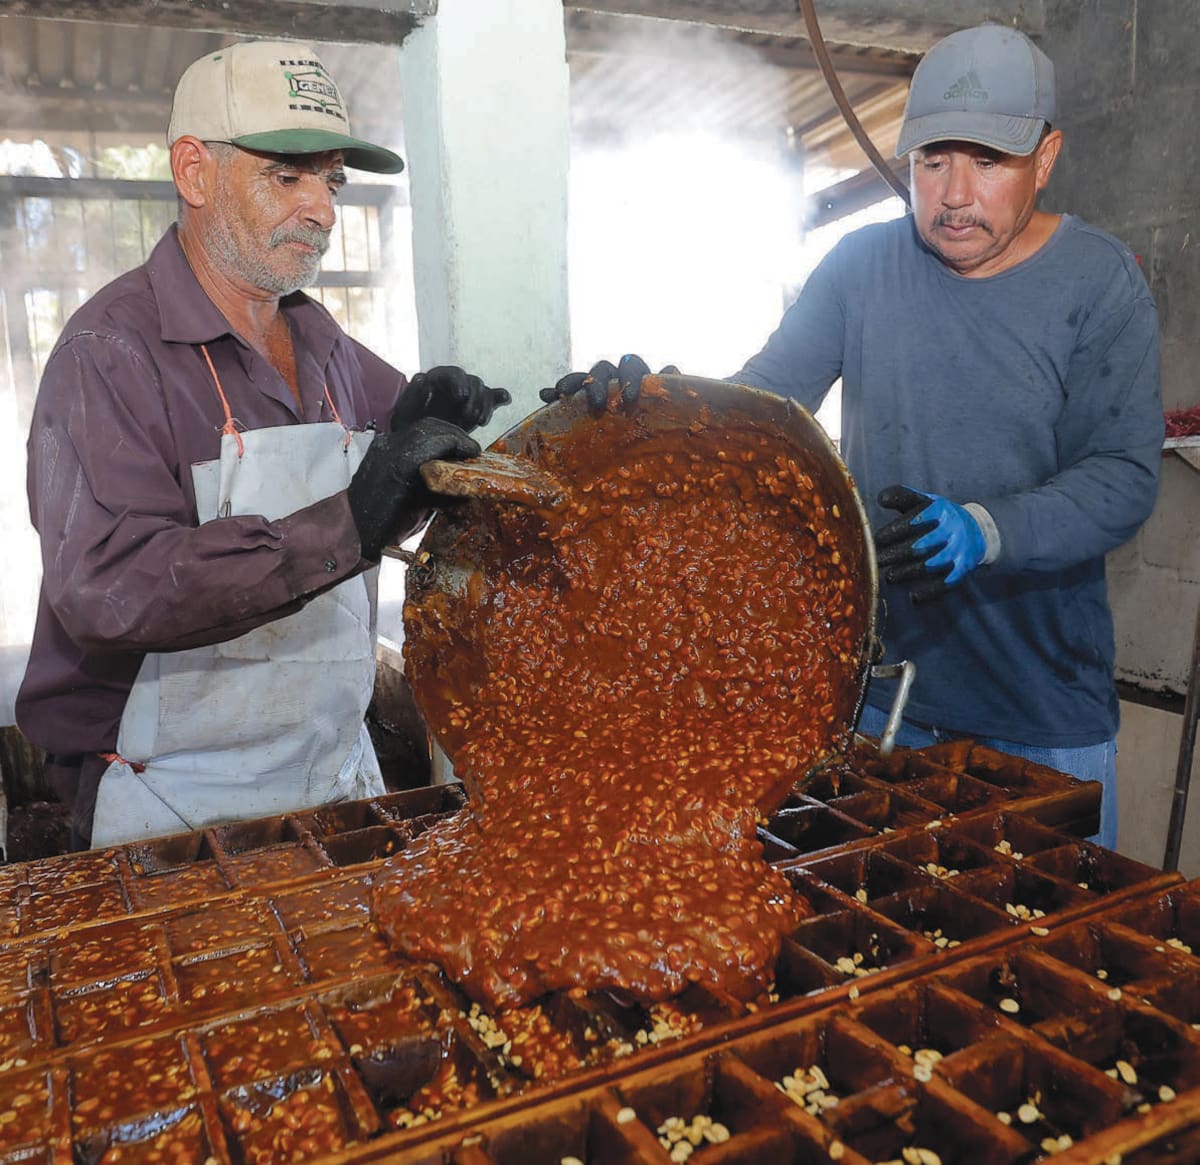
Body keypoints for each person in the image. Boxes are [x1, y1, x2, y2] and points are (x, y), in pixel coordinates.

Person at [545, 24, 1164, 850]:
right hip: (883, 699)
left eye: (987, 162)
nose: (954, 194)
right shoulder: (861, 266)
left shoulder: (1098, 283)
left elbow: (1122, 476)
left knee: (1060, 925)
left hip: (1041, 713)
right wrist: (645, 408)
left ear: (1045, 159)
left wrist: (988, 530)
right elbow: (760, 411)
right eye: (933, 160)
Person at [16, 40, 510, 848]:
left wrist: (443, 444)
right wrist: (348, 520)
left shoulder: (326, 346)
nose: (323, 210)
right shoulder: (108, 355)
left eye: (332, 181)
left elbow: (403, 505)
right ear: (194, 171)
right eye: (287, 177)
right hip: (168, 795)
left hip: (329, 771)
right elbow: (107, 588)